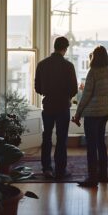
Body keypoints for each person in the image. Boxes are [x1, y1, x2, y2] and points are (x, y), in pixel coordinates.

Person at [35, 36, 78, 179]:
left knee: (46, 137)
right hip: (62, 106)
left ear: (54, 47)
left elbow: (37, 88)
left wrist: (47, 92)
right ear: (65, 49)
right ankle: (60, 169)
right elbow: (74, 89)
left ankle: (46, 168)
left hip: (47, 105)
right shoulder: (68, 66)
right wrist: (66, 96)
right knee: (61, 138)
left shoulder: (42, 64)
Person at [72, 46, 108, 187]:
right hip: (104, 113)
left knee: (91, 146)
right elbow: (100, 92)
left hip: (92, 113)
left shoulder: (92, 72)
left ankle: (92, 178)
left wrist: (77, 114)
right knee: (101, 144)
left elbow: (86, 96)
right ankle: (104, 175)